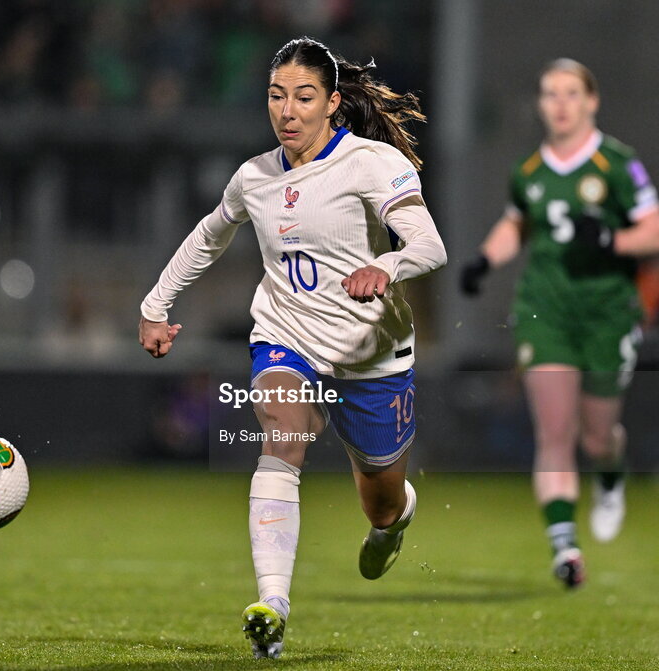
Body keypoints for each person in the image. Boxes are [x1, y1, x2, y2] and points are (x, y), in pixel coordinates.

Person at [139, 37, 446, 658]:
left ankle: (394, 518)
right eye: (277, 96)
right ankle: (272, 606)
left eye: (303, 97)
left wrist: (386, 267)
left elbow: (430, 246)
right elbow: (208, 236)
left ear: (332, 103)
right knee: (282, 438)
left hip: (370, 355)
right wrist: (155, 306)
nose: (287, 110)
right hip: (287, 337)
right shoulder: (254, 176)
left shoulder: (372, 163)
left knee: (380, 501)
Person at [459, 59, 659, 588]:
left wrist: (611, 241)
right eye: (550, 93)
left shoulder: (618, 164)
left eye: (571, 93)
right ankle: (565, 548)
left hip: (605, 312)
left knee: (598, 436)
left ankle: (610, 474)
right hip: (545, 310)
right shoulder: (529, 172)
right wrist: (485, 260)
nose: (559, 103)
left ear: (591, 101)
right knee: (554, 431)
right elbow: (515, 223)